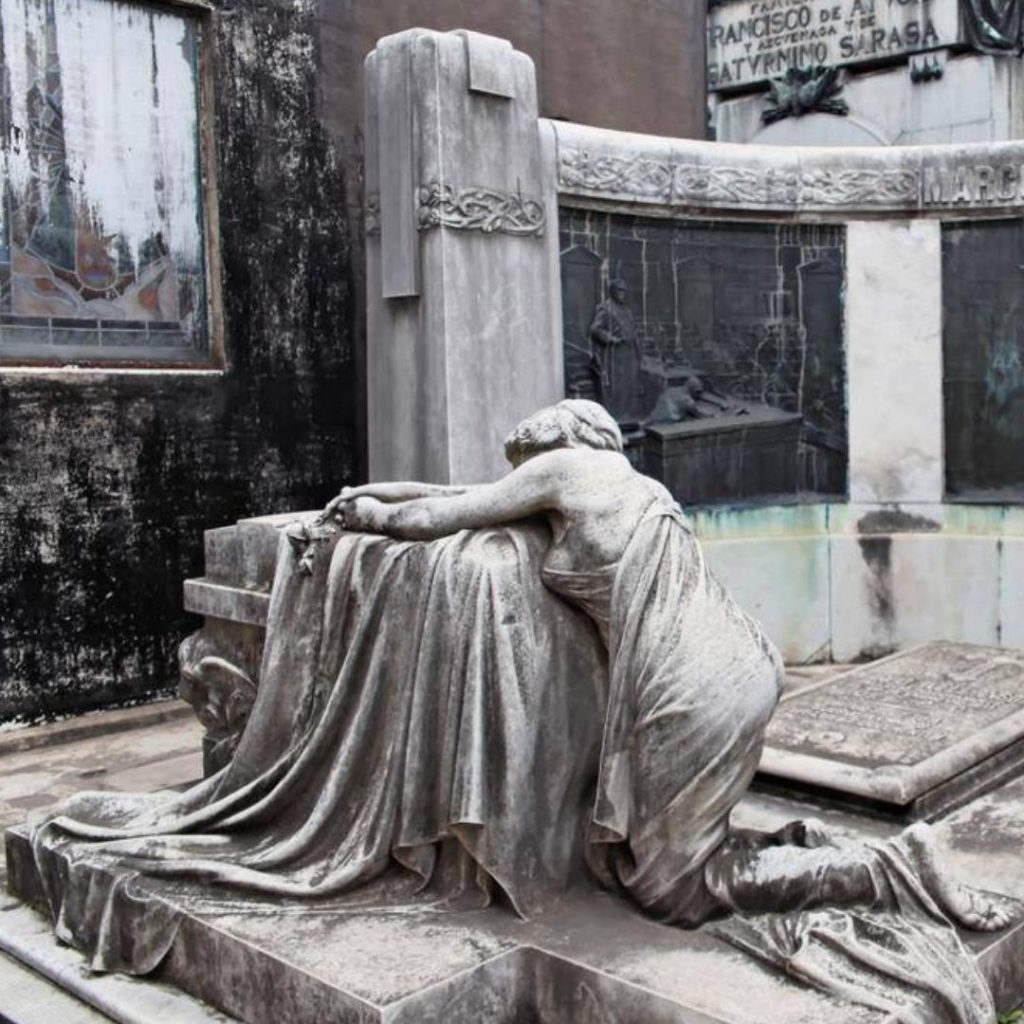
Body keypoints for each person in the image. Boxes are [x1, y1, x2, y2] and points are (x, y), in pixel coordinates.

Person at [321, 399, 1011, 934]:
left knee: (671, 890)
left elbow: (438, 516)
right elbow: (454, 491)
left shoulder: (560, 470)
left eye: (519, 455)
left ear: (550, 439)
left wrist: (373, 516)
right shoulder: (621, 481)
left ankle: (883, 868)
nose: (514, 470)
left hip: (692, 686)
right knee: (678, 849)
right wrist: (378, 489)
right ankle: (807, 845)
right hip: (737, 661)